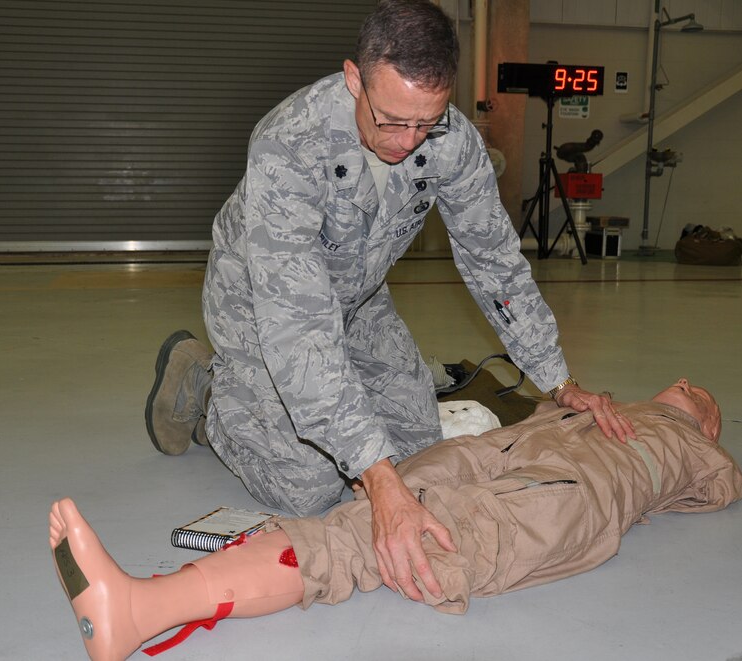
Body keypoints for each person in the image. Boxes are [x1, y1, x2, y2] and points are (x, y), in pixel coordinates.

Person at [144, 0, 635, 603]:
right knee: (310, 484)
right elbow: (299, 329)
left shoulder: (453, 141)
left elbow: (494, 261)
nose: (407, 142)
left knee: (420, 452)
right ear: (354, 78)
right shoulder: (288, 143)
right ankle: (212, 391)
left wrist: (558, 379)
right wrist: (375, 477)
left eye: (425, 122)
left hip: (359, 293)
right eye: (391, 119)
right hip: (260, 302)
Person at [55, 379, 740, 660]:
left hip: (576, 488)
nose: (682, 386)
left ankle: (145, 605)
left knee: (407, 538)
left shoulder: (695, 447)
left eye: (696, 394)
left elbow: (718, 485)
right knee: (387, 500)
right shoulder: (599, 404)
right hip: (514, 446)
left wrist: (697, 436)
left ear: (704, 420)